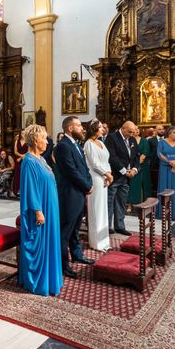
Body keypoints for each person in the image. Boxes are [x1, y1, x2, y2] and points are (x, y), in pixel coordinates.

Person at [18, 124, 63, 296]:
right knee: (40, 246)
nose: (46, 142)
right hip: (40, 210)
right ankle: (38, 282)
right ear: (36, 141)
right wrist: (38, 211)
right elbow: (30, 189)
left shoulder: (41, 159)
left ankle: (50, 278)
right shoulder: (29, 161)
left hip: (50, 207)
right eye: (44, 138)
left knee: (50, 242)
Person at [55, 116, 95, 279]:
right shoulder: (63, 146)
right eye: (79, 125)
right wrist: (86, 185)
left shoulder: (76, 144)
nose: (82, 128)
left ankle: (77, 254)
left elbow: (84, 168)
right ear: (70, 128)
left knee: (76, 228)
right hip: (70, 194)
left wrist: (89, 182)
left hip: (79, 193)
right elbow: (71, 171)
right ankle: (63, 264)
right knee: (65, 231)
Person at [104, 121, 139, 235]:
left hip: (127, 177)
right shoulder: (112, 138)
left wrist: (134, 169)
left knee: (121, 202)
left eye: (133, 132)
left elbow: (136, 157)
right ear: (123, 128)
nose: (131, 134)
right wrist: (124, 171)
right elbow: (112, 157)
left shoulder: (132, 139)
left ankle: (120, 226)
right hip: (115, 175)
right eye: (129, 132)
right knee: (110, 201)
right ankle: (108, 226)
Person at [83, 119, 113, 252]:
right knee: (96, 209)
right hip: (95, 177)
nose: (103, 129)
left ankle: (104, 240)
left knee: (103, 209)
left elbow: (106, 159)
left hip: (104, 177)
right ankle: (96, 242)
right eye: (100, 127)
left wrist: (109, 174)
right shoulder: (88, 144)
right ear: (94, 129)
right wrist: (107, 174)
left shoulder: (101, 142)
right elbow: (94, 164)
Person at [128, 126, 152, 205]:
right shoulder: (129, 140)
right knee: (133, 184)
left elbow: (144, 154)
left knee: (144, 184)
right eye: (135, 129)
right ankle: (131, 203)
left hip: (143, 165)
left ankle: (145, 203)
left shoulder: (144, 141)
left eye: (138, 129)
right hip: (131, 165)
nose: (137, 130)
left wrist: (137, 164)